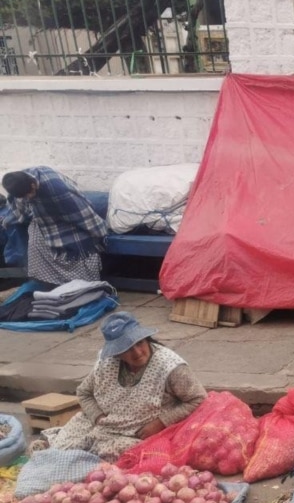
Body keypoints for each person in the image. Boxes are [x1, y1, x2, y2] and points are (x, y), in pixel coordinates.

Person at [33, 311, 207, 461]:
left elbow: (198, 398)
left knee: (112, 457)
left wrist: (161, 422)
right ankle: (55, 453)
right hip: (103, 423)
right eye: (128, 348)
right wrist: (98, 416)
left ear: (146, 339)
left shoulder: (170, 367)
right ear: (117, 352)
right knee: (64, 446)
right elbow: (85, 392)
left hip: (135, 434)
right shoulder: (107, 362)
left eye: (140, 343)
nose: (137, 353)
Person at [1, 167, 108, 285]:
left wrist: (100, 232)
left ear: (33, 184)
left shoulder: (57, 189)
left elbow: (83, 214)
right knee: (36, 242)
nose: (30, 197)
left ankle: (80, 284)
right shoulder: (19, 183)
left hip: (69, 219)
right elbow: (20, 209)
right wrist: (9, 221)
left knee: (77, 245)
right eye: (25, 196)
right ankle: (49, 283)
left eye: (30, 193)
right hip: (43, 218)